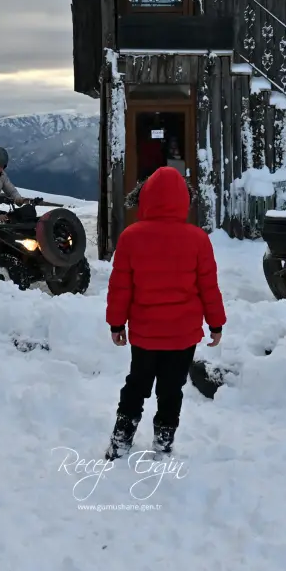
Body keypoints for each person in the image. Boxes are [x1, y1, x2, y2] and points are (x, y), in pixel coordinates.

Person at [103, 166, 226, 460]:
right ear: (184, 200)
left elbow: (120, 286)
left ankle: (121, 440)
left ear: (145, 198)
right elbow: (209, 286)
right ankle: (164, 443)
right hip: (183, 336)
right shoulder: (197, 239)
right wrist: (216, 323)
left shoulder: (131, 237)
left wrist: (116, 324)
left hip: (145, 334)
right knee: (172, 390)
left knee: (137, 385)